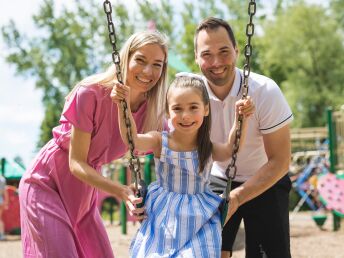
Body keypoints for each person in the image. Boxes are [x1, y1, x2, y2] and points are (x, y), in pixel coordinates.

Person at [18, 30, 169, 258]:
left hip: (84, 195)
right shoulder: (91, 93)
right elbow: (76, 163)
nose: (148, 71)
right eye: (141, 60)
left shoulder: (153, 114)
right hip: (46, 183)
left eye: (157, 64)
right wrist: (121, 191)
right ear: (125, 58)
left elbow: (182, 142)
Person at [112, 75, 255, 257]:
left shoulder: (207, 148)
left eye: (193, 107)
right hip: (165, 214)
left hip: (200, 215)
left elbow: (231, 149)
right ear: (167, 112)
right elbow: (133, 140)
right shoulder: (159, 141)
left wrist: (241, 119)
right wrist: (121, 105)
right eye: (177, 109)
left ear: (205, 109)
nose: (185, 115)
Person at [193, 17, 294, 258]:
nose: (216, 62)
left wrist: (237, 197)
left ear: (238, 52)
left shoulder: (264, 91)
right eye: (207, 54)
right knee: (210, 251)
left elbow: (280, 161)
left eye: (224, 51)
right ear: (196, 57)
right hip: (218, 176)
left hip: (265, 178)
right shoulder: (191, 93)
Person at [0, 173, 9, 241]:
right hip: (1, 201)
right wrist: (6, 202)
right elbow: (5, 192)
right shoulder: (2, 179)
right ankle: (2, 235)